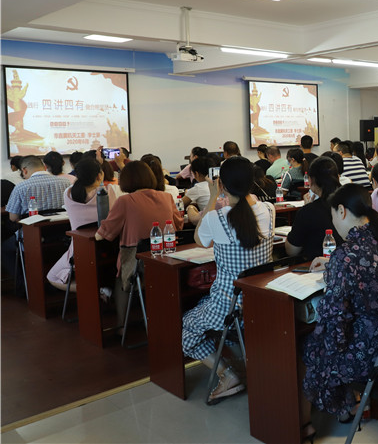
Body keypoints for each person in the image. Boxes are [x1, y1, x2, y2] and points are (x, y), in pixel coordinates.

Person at [300, 184, 378, 437]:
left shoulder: (346, 256)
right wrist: (334, 264)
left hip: (368, 358)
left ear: (341, 211)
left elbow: (335, 322)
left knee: (311, 344)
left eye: (332, 215)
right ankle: (351, 404)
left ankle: (315, 418)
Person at [181, 156, 275, 403]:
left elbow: (200, 241)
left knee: (186, 330)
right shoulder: (268, 209)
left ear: (221, 184)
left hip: (229, 305)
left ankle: (228, 374)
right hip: (263, 302)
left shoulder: (217, 218)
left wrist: (213, 197)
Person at [95, 161, 184, 325]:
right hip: (167, 259)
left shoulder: (125, 201)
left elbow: (104, 234)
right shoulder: (167, 197)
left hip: (137, 264)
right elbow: (178, 225)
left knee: (119, 278)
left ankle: (121, 326)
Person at [46, 158, 102, 292]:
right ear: (99, 175)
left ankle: (96, 290)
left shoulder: (68, 194)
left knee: (52, 277)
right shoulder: (109, 191)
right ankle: (99, 288)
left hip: (80, 250)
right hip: (110, 247)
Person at [285, 157, 342, 259]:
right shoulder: (349, 202)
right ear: (338, 177)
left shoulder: (307, 211)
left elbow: (292, 251)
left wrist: (306, 208)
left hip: (316, 264)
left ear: (311, 180)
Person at [6, 155, 71, 222]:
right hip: (63, 226)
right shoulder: (66, 182)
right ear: (45, 167)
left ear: (24, 170)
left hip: (31, 227)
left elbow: (13, 217)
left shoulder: (20, 187)